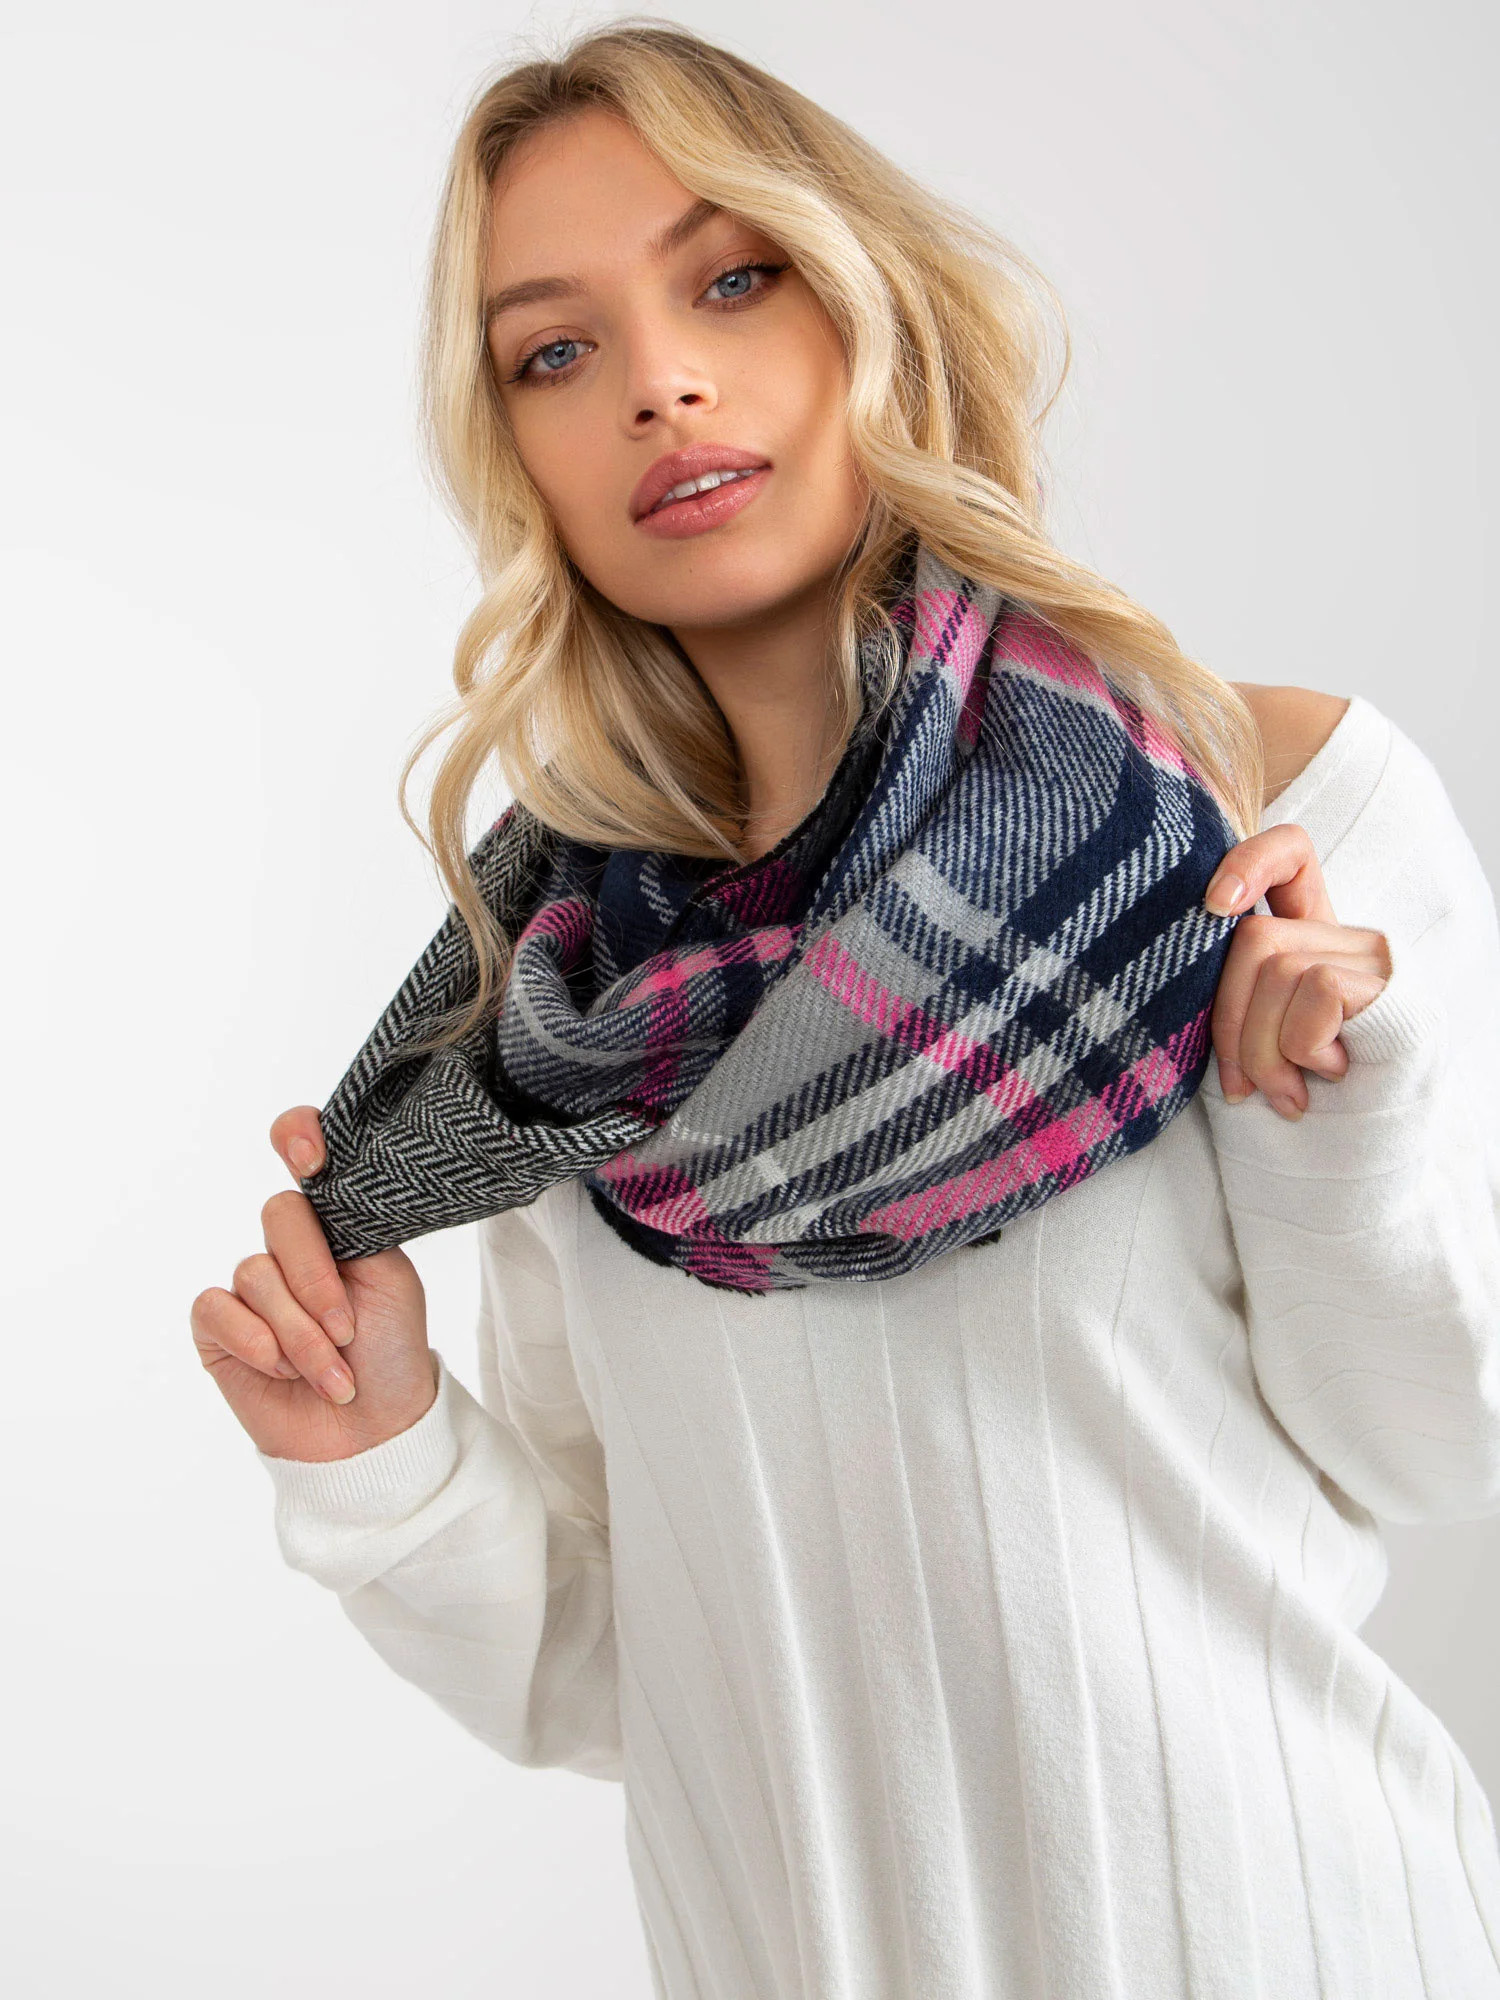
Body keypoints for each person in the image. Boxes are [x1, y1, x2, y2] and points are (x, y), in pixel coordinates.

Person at [189, 20, 1500, 1996]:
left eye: (732, 278)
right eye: (556, 351)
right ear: (517, 449)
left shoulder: (1256, 803)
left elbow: (1429, 1448)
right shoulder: (569, 1012)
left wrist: (1349, 1106)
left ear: (864, 296)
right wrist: (382, 1452)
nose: (659, 382)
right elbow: (627, 1666)